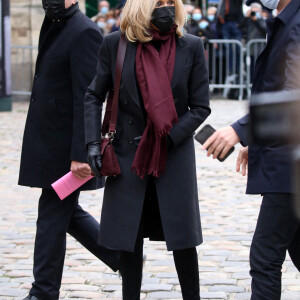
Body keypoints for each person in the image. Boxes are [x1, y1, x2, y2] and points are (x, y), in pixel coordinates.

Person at [84, 0, 211, 299]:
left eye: (171, 2)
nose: (166, 7)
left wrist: (167, 137)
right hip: (128, 155)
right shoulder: (116, 43)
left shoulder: (190, 45)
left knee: (183, 241)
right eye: (159, 2)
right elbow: (93, 94)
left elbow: (200, 106)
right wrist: (91, 142)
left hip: (173, 155)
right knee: (129, 238)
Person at [19, 1, 120, 299]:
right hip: (49, 143)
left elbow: (87, 98)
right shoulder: (54, 23)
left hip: (67, 150)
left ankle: (43, 291)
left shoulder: (84, 32)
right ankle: (120, 257)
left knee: (51, 215)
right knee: (66, 213)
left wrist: (82, 152)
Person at [203, 0, 300, 298]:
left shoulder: (296, 23)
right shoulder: (286, 19)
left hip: (290, 165)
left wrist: (240, 130)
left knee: (265, 257)